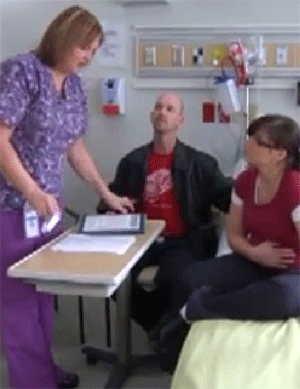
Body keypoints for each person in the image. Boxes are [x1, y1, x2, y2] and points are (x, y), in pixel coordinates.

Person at [0, 6, 133, 389]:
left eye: (93, 51)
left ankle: (44, 370)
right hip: (12, 208)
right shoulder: (21, 72)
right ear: (63, 38)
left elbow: (73, 146)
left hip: (48, 209)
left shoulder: (73, 85)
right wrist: (31, 190)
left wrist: (105, 193)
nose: (88, 57)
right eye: (84, 48)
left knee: (43, 297)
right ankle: (31, 382)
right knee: (20, 304)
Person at [160, 114, 300, 372]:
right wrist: (255, 254)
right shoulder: (245, 181)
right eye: (250, 138)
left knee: (283, 297)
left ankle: (202, 305)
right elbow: (234, 235)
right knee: (189, 277)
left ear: (279, 154)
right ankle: (174, 355)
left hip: (294, 271)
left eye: (257, 141)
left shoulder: (294, 188)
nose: (247, 144)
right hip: (254, 260)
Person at [98, 92, 232, 336]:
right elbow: (108, 202)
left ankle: (167, 332)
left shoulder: (200, 164)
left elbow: (230, 198)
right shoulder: (132, 162)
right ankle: (161, 328)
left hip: (181, 241)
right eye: (158, 107)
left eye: (170, 109)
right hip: (139, 241)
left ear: (180, 120)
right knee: (113, 280)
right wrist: (113, 207)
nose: (162, 112)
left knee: (179, 280)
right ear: (151, 116)